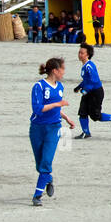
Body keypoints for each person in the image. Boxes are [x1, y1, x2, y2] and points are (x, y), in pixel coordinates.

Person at [29, 57, 75, 205]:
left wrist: (66, 118)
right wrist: (58, 103)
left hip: (54, 127)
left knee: (46, 162)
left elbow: (57, 108)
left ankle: (37, 195)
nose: (64, 72)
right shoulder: (39, 86)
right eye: (63, 69)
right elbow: (38, 109)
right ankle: (48, 179)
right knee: (40, 164)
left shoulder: (60, 87)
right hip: (37, 128)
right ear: (55, 70)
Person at [72, 43, 111, 139]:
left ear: (88, 55)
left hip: (95, 93)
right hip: (89, 92)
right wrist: (79, 87)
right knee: (82, 112)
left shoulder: (89, 66)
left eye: (82, 53)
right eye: (79, 52)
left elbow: (93, 81)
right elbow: (87, 80)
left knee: (95, 116)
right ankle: (86, 132)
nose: (80, 54)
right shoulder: (84, 66)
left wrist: (85, 90)